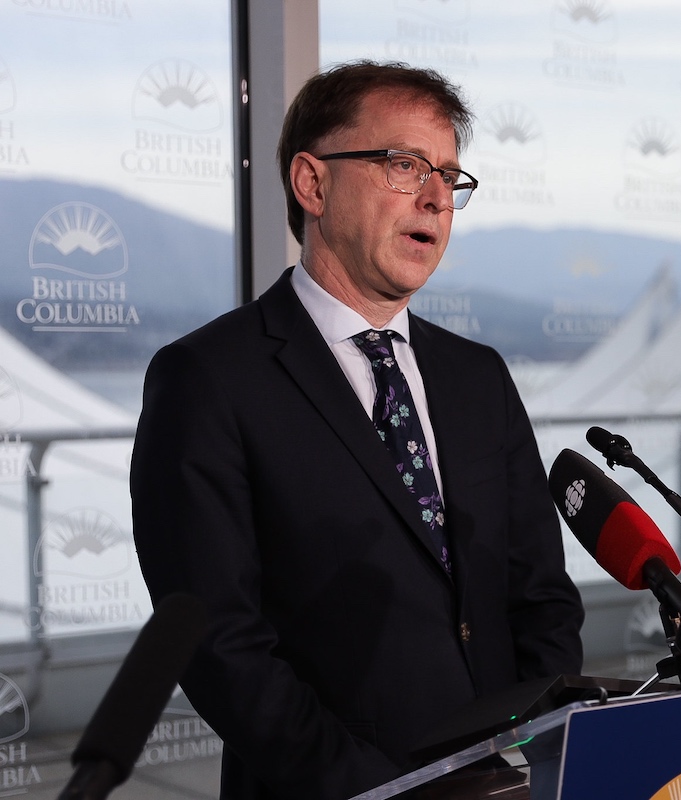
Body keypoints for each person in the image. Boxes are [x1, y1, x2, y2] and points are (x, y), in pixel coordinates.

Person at [130, 60, 585, 799]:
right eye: (404, 165)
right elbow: (221, 643)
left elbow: (541, 595)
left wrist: (535, 753)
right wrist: (373, 790)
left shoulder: (478, 377)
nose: (437, 198)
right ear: (312, 184)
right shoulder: (208, 378)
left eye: (449, 175)